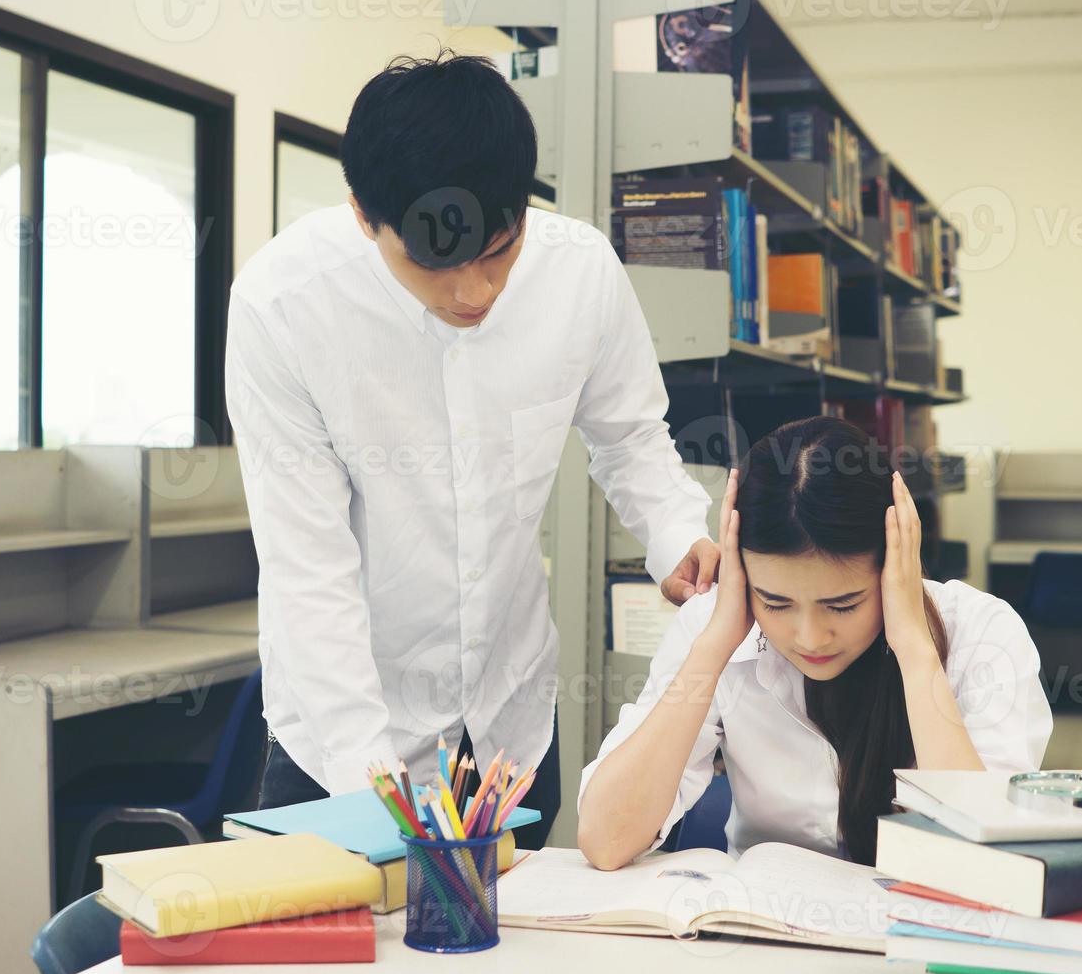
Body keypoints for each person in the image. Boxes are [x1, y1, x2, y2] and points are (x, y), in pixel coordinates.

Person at [224, 51, 719, 849]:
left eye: (498, 252)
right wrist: (371, 793)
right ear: (362, 214)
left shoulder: (579, 272)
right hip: (343, 738)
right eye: (435, 264)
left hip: (508, 728)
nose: (475, 294)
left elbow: (629, 436)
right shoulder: (284, 305)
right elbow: (306, 568)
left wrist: (676, 535)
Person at [577, 416, 1054, 867]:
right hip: (767, 938)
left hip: (926, 934)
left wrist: (913, 646)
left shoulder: (983, 633)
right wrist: (713, 646)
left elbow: (985, 865)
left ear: (895, 563)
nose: (809, 637)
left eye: (842, 605)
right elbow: (606, 841)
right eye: (776, 603)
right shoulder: (717, 625)